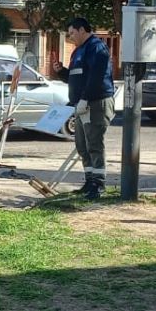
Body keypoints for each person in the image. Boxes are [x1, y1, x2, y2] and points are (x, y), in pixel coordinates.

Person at [52, 17, 115, 200]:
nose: (70, 37)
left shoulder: (97, 47)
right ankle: (89, 181)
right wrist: (62, 72)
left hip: (95, 103)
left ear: (82, 30)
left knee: (94, 143)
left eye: (72, 33)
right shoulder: (78, 51)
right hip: (81, 104)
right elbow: (77, 77)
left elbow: (97, 76)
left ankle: (99, 184)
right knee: (82, 145)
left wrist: (85, 98)